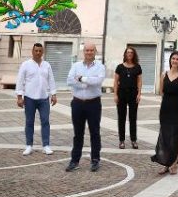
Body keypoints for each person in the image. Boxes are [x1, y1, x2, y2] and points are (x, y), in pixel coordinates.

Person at [65, 43, 105, 172]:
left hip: (93, 103)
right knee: (78, 133)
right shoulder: (76, 66)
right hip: (77, 103)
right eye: (87, 50)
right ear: (84, 52)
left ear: (95, 52)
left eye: (91, 50)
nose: (89, 52)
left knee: (95, 132)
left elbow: (97, 81)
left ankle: (95, 159)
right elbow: (69, 81)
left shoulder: (100, 67)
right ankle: (74, 160)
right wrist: (86, 82)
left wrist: (81, 78)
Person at [152, 50, 178, 175]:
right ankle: (166, 163)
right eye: (173, 58)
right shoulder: (164, 74)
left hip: (177, 108)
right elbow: (161, 91)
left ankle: (174, 163)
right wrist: (166, 104)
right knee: (165, 136)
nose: (175, 61)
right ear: (170, 60)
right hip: (165, 108)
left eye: (177, 59)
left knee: (176, 136)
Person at [15, 43, 57, 156]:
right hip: (29, 98)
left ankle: (46, 146)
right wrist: (19, 97)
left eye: (40, 51)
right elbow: (20, 80)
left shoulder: (47, 65)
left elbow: (51, 80)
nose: (38, 53)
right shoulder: (26, 65)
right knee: (29, 122)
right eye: (36, 50)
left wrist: (53, 94)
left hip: (44, 98)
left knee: (45, 121)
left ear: (43, 52)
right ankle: (29, 146)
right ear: (32, 51)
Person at [113, 46, 142, 150]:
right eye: (128, 52)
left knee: (133, 118)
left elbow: (139, 81)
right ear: (125, 54)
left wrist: (139, 94)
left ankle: (133, 140)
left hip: (133, 94)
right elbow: (116, 81)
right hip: (121, 94)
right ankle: (122, 141)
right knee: (121, 118)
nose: (129, 54)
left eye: (131, 52)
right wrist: (115, 94)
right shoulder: (119, 67)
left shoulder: (137, 67)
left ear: (134, 55)